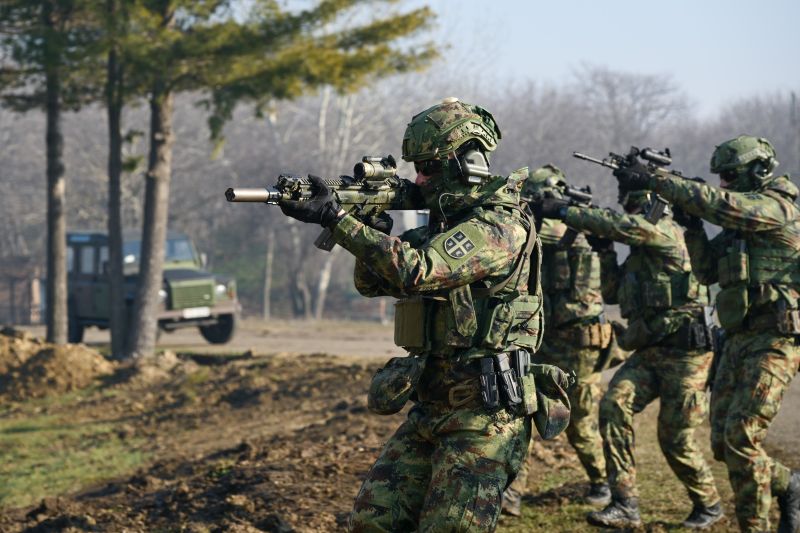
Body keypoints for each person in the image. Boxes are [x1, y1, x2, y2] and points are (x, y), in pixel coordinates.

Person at [279, 97, 547, 531]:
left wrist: (338, 220)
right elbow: (374, 283)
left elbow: (417, 271)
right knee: (372, 521)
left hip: (483, 417)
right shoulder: (442, 229)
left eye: (428, 167)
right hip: (429, 406)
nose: (419, 179)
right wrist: (372, 231)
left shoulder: (499, 227)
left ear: (468, 161)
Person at [615, 134, 800, 533]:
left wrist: (663, 182)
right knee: (722, 443)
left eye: (731, 176)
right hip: (735, 341)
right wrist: (691, 225)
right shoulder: (738, 229)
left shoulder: (777, 207)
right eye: (721, 178)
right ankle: (790, 485)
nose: (725, 185)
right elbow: (707, 271)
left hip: (775, 341)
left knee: (740, 437)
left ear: (761, 170)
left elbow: (725, 207)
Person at [537, 184, 722, 529]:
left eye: (636, 207)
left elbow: (623, 226)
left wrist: (566, 212)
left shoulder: (666, 233)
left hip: (687, 355)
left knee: (676, 439)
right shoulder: (639, 255)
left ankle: (709, 503)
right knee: (613, 406)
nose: (632, 214)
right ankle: (625, 503)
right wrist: (604, 252)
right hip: (651, 351)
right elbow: (611, 292)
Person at [501, 165, 615, 517]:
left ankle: (602, 481)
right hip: (542, 337)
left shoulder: (573, 227)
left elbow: (543, 233)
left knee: (580, 421)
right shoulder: (546, 229)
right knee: (522, 412)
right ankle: (510, 494)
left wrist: (527, 212)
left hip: (579, 343)